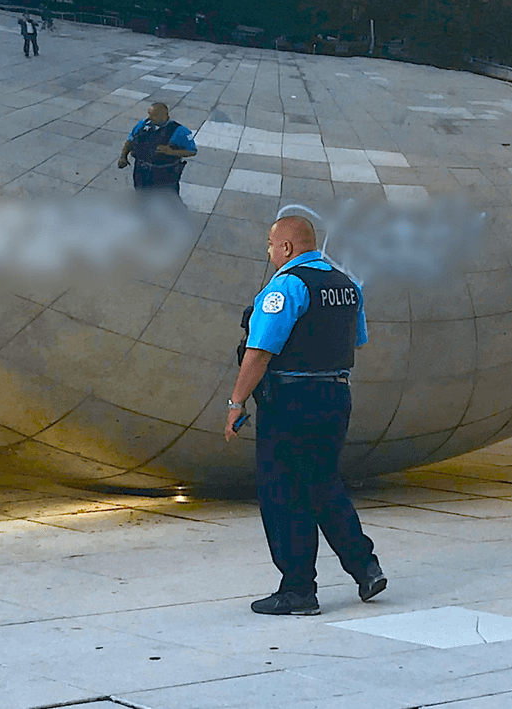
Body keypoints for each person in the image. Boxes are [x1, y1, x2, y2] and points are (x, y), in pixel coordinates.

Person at [224, 216, 386, 616]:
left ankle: (298, 591)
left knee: (283, 492)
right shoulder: (347, 286)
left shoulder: (286, 286)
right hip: (335, 397)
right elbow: (357, 342)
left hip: (290, 401)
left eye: (270, 243)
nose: (268, 251)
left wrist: (236, 402)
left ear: (287, 248)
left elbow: (259, 352)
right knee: (323, 483)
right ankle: (365, 566)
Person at [117, 103, 197, 194]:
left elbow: (192, 151)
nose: (150, 118)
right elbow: (130, 141)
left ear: (164, 116)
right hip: (142, 171)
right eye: (149, 114)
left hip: (165, 174)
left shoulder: (179, 131)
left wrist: (171, 152)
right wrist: (123, 156)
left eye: (154, 115)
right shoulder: (143, 124)